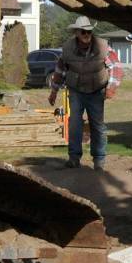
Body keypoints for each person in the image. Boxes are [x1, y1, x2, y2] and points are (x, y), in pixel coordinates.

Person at [48, 16, 123, 170]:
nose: (86, 34)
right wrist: (54, 91)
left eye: (88, 31)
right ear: (76, 33)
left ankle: (99, 159)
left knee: (97, 125)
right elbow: (60, 71)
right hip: (75, 90)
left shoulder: (103, 46)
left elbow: (116, 67)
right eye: (83, 32)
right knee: (74, 124)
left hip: (96, 91)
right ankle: (74, 158)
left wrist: (111, 87)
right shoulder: (67, 48)